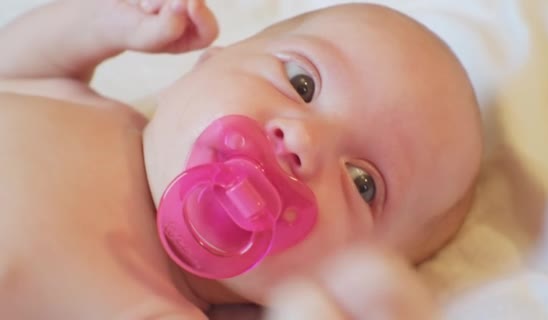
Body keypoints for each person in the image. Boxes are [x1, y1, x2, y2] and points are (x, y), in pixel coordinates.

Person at [0, 0, 482, 319]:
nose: (303, 142)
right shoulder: (77, 101)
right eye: (302, 84)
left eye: (363, 183)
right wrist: (101, 25)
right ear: (211, 61)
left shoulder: (156, 308)